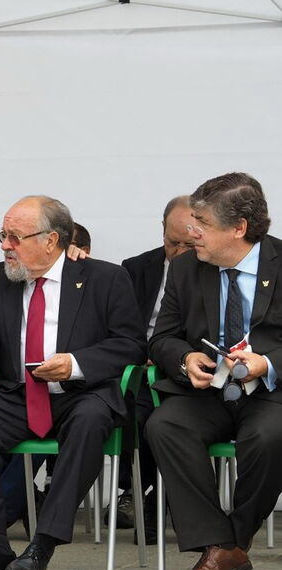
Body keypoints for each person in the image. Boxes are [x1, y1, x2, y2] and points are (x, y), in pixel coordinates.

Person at [0, 195, 145, 570]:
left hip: (82, 395)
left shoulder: (103, 278)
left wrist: (75, 364)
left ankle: (43, 543)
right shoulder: (0, 282)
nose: (5, 245)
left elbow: (132, 344)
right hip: (21, 395)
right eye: (3, 235)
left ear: (52, 240)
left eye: (15, 237)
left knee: (91, 418)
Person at [146, 172, 282, 570]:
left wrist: (267, 363)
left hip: (269, 394)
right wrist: (185, 357)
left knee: (269, 436)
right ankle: (218, 543)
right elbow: (160, 338)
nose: (192, 234)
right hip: (207, 391)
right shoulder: (186, 268)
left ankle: (232, 543)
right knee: (164, 425)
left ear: (238, 228)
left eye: (201, 224)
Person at [117, 195, 196, 542]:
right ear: (161, 230)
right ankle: (144, 492)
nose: (179, 252)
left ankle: (158, 500)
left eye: (188, 245)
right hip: (142, 365)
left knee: (165, 421)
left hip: (188, 369)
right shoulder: (135, 268)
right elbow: (121, 327)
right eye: (172, 243)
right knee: (134, 413)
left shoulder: (211, 271)